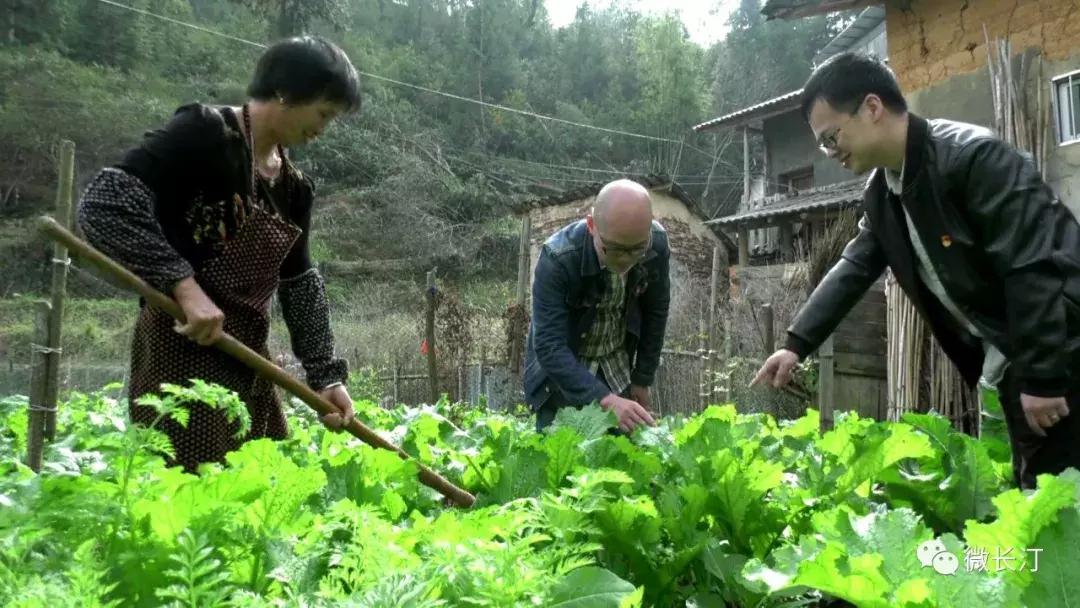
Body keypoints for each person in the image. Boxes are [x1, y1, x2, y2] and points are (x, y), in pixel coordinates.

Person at [752, 52, 1080, 489]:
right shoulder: (884, 192)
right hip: (1019, 358)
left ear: (872, 107)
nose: (831, 154)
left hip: (1062, 349)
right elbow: (855, 264)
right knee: (1043, 497)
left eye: (831, 138)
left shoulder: (974, 158)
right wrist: (796, 344)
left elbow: (1030, 266)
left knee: (1058, 506)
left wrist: (1043, 376)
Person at [77, 36, 361, 472]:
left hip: (248, 362)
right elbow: (105, 201)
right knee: (190, 496)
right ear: (287, 93)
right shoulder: (205, 134)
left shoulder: (293, 188)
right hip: (181, 355)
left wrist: (326, 375)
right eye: (323, 113)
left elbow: (300, 283)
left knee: (259, 490)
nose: (324, 128)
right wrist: (183, 286)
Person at [523, 179, 670, 433]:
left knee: (619, 462)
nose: (626, 260)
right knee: (558, 464)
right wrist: (604, 399)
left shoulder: (656, 243)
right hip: (563, 377)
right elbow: (549, 345)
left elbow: (656, 312)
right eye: (614, 250)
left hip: (616, 370)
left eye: (637, 250)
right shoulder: (558, 259)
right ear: (592, 226)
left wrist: (642, 378)